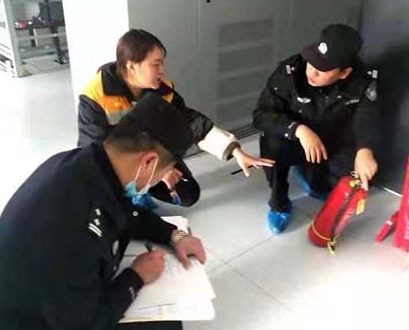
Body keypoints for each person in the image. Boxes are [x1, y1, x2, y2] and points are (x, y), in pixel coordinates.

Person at [0, 96, 206, 330]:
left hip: (39, 299)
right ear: (148, 162)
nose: (162, 182)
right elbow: (84, 325)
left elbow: (126, 213)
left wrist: (174, 235)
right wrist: (136, 277)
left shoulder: (85, 165)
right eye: (164, 174)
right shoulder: (73, 224)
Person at [78, 29, 274, 210]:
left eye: (162, 63)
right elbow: (95, 152)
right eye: (155, 64)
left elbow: (191, 122)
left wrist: (235, 151)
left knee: (188, 194)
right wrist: (155, 171)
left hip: (151, 156)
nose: (162, 70)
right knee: (114, 205)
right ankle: (134, 193)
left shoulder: (162, 90)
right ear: (132, 67)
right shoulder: (95, 97)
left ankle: (142, 190)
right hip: (117, 166)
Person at [253, 24, 380, 234]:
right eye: (312, 61)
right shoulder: (290, 71)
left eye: (323, 69)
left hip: (332, 137)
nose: (312, 71)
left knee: (352, 179)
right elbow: (261, 115)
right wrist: (299, 130)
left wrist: (365, 150)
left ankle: (309, 172)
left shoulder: (362, 80)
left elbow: (367, 117)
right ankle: (279, 203)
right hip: (294, 138)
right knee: (272, 143)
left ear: (344, 73)